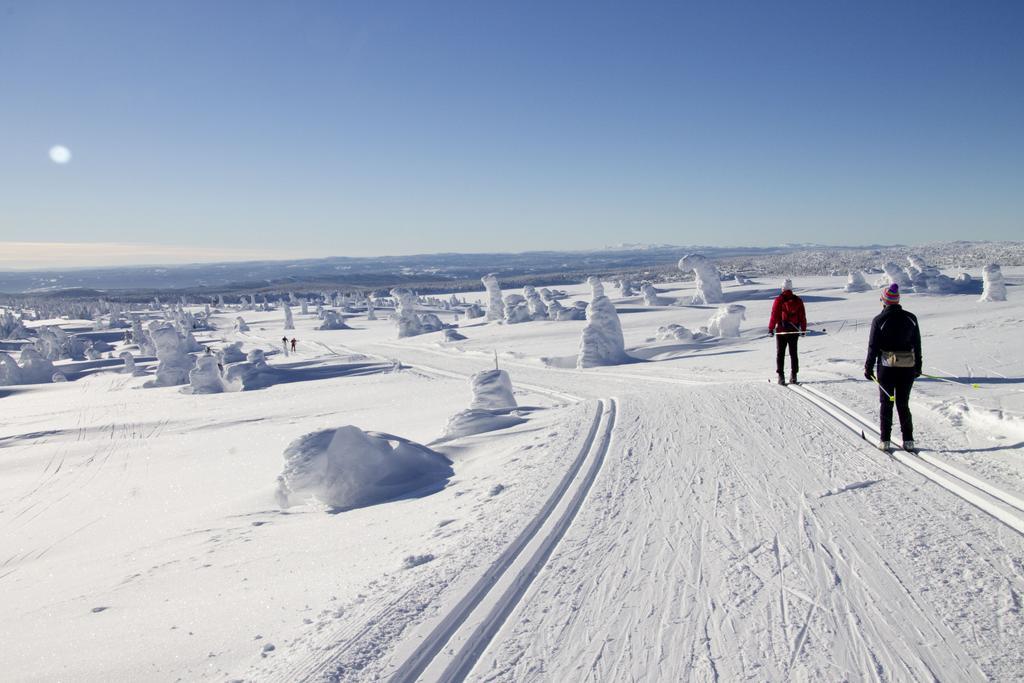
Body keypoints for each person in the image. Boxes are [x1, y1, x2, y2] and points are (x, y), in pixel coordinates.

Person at [864, 283, 922, 453]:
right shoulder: (911, 317)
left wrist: (868, 368)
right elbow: (917, 344)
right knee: (903, 403)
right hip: (907, 368)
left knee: (887, 402)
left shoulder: (879, 320)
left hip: (887, 369)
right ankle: (909, 440)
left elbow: (873, 346)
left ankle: (885, 440)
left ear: (884, 301)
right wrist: (918, 366)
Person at [768, 278, 807, 385]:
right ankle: (794, 375)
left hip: (781, 331)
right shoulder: (798, 300)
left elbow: (774, 315)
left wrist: (771, 328)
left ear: (783, 288)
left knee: (780, 354)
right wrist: (803, 330)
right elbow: (802, 316)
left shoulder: (779, 300)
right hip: (794, 331)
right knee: (793, 353)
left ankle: (781, 376)